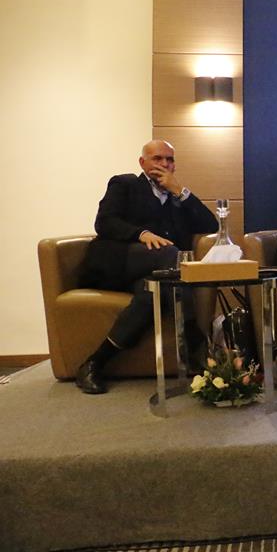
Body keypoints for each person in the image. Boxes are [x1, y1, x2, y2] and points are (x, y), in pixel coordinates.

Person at [75, 140, 219, 394]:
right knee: (172, 254)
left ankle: (94, 363)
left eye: (170, 160)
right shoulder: (125, 184)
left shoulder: (177, 198)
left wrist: (180, 191)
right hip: (118, 264)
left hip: (155, 275)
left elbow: (211, 226)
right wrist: (141, 234)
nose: (164, 164)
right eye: (157, 158)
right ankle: (194, 338)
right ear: (142, 163)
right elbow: (104, 222)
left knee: (153, 291)